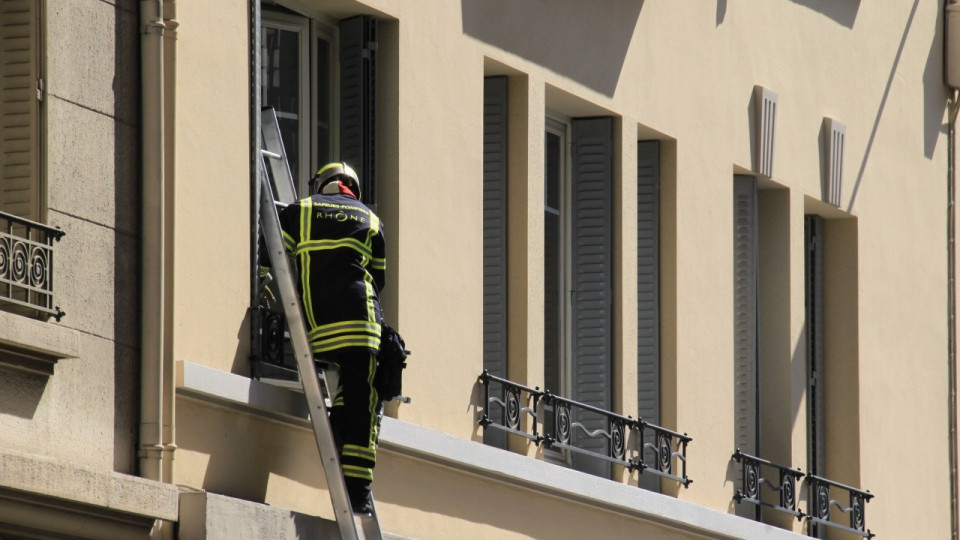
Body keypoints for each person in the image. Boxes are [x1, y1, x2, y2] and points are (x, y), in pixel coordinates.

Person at [277, 161, 386, 515]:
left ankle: (339, 424)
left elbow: (271, 260)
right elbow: (378, 280)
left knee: (350, 394)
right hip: (361, 326)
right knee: (364, 398)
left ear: (321, 184)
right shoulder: (371, 220)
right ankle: (359, 490)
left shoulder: (299, 211)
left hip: (318, 328)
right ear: (353, 187)